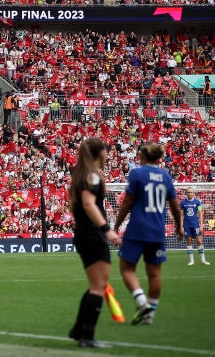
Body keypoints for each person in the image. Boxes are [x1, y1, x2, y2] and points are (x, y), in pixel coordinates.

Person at [114, 142, 184, 326]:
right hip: (157, 230)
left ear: (143, 156)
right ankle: (150, 315)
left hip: (137, 229)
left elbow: (127, 203)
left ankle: (142, 302)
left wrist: (116, 225)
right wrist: (179, 226)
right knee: (155, 274)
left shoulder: (137, 173)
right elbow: (175, 207)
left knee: (127, 269)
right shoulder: (166, 177)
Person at [67, 137, 121, 348]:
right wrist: (107, 230)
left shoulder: (83, 175)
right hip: (92, 233)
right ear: (100, 154)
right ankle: (87, 336)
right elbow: (89, 204)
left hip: (84, 233)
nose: (107, 154)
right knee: (99, 286)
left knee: (95, 285)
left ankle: (78, 329)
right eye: (106, 150)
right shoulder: (93, 177)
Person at [180, 188, 209, 266]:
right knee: (189, 242)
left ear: (193, 193)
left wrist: (201, 225)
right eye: (188, 192)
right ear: (186, 193)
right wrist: (181, 226)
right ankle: (191, 260)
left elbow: (200, 214)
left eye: (191, 192)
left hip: (195, 225)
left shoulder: (197, 202)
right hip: (186, 225)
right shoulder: (183, 202)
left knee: (199, 241)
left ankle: (203, 260)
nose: (189, 193)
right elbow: (181, 215)